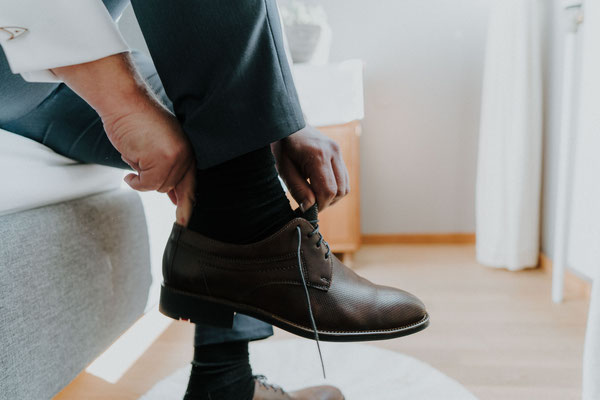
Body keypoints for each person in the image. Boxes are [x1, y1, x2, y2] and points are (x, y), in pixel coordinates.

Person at [0, 1, 429, 399]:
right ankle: (251, 272)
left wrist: (283, 119)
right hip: (14, 57)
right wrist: (125, 105)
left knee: (226, 121)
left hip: (45, 73)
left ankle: (224, 380)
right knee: (231, 139)